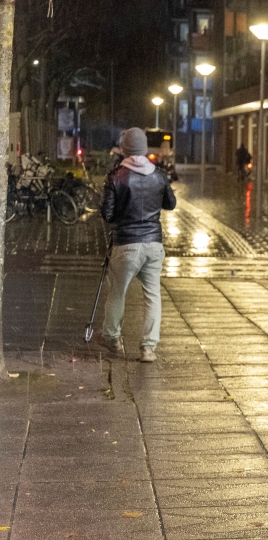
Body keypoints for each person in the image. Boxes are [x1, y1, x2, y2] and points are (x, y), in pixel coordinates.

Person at [99, 127, 177, 363]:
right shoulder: (159, 175)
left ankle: (112, 337)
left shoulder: (116, 176)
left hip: (126, 245)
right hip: (153, 244)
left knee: (117, 292)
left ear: (124, 149)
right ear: (143, 148)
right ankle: (148, 348)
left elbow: (107, 214)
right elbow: (170, 204)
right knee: (152, 295)